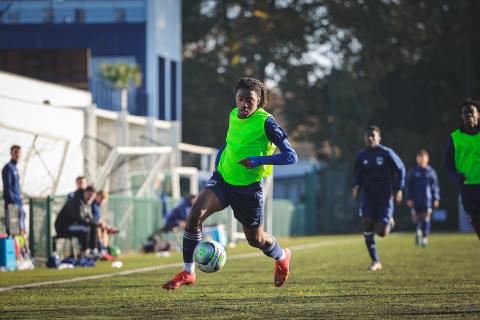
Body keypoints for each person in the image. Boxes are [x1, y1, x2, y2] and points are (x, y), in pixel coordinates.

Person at [162, 77, 298, 290]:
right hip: (223, 180)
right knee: (194, 214)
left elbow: (291, 156)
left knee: (256, 239)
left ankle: (282, 255)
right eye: (240, 99)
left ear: (260, 101)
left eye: (249, 100)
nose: (243, 105)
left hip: (248, 188)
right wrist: (219, 160)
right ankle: (188, 272)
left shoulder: (267, 123)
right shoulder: (233, 114)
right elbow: (231, 143)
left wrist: (258, 160)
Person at [352, 126, 406, 271]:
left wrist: (399, 188)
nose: (370, 138)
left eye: (373, 136)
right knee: (366, 222)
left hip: (385, 197)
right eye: (367, 136)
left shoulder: (387, 153)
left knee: (381, 232)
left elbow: (400, 168)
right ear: (364, 138)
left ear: (379, 138)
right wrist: (356, 186)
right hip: (368, 196)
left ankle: (389, 222)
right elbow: (358, 174)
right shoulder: (361, 156)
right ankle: (375, 261)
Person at [445, 99, 480, 240]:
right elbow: (448, 165)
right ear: (461, 116)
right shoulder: (455, 137)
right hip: (467, 188)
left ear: (478, 115)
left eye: (471, 112)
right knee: (476, 222)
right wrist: (457, 177)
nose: (468, 115)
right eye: (465, 113)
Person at [405, 150, 440, 247]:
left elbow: (435, 187)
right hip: (415, 200)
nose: (421, 160)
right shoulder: (413, 172)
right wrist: (408, 198)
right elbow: (408, 186)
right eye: (419, 158)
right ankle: (418, 231)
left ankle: (424, 238)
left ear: (427, 159)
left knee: (426, 218)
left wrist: (436, 198)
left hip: (427, 200)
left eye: (423, 157)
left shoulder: (431, 172)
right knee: (417, 219)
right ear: (417, 159)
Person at [54, 186, 98, 256]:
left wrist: (97, 223)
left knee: (94, 226)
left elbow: (88, 218)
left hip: (73, 225)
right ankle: (85, 252)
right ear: (85, 192)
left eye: (93, 196)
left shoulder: (86, 202)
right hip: (64, 227)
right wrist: (94, 222)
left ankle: (94, 250)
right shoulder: (76, 201)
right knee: (86, 229)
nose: (91, 198)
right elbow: (79, 219)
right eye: (90, 195)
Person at [2, 145, 26, 236]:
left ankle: (21, 250)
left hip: (18, 205)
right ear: (11, 153)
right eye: (15, 152)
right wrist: (13, 204)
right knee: (13, 233)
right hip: (12, 206)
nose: (17, 154)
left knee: (21, 232)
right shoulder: (8, 168)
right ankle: (13, 250)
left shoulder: (15, 168)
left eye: (19, 152)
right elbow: (7, 189)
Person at [91, 190, 117, 260]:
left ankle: (105, 250)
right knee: (100, 230)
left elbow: (99, 219)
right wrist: (107, 227)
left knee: (104, 231)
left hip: (94, 225)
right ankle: (103, 251)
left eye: (104, 199)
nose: (102, 201)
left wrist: (107, 227)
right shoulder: (93, 205)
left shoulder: (96, 206)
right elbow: (96, 220)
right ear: (97, 196)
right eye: (101, 198)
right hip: (91, 226)